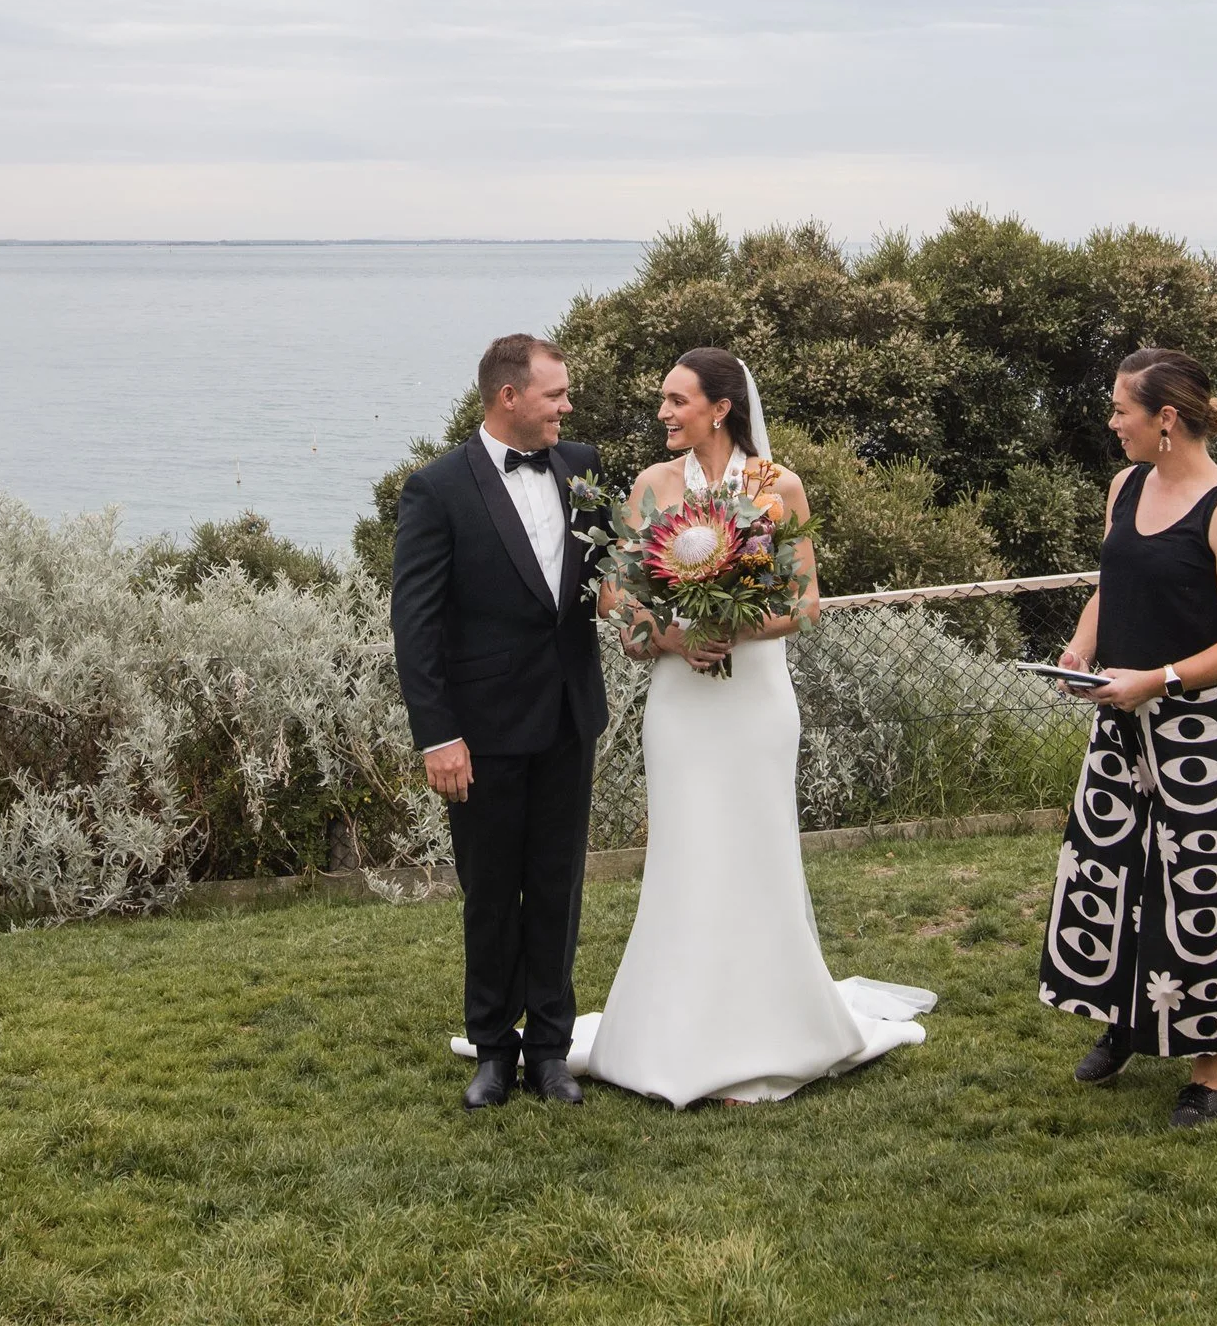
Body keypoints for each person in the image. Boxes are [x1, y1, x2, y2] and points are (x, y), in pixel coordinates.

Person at [581, 346, 935, 1106]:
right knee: (684, 851)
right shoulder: (652, 486)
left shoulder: (778, 489)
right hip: (681, 702)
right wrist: (672, 637)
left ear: (721, 409)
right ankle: (673, 1030)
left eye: (677, 401)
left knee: (755, 847)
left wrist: (731, 627)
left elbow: (804, 603)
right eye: (663, 400)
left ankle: (772, 1026)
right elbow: (616, 602)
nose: (663, 413)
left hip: (755, 701)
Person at [1040, 348, 1217, 1127]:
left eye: (1120, 409)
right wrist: (1080, 648)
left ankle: (1209, 1073)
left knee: (1203, 893)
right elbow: (1112, 584)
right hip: (1124, 723)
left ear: (1166, 418)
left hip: (1209, 739)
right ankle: (1127, 1023)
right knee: (1119, 879)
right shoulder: (1126, 487)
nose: (1111, 422)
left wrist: (1156, 680)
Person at [391, 333, 608, 1110]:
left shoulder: (583, 468)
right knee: (489, 894)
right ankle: (492, 1048)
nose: (567, 407)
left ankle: (550, 1050)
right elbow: (415, 625)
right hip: (479, 734)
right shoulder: (436, 489)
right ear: (508, 396)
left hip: (569, 718)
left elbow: (606, 578)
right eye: (555, 394)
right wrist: (438, 735)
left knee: (557, 888)